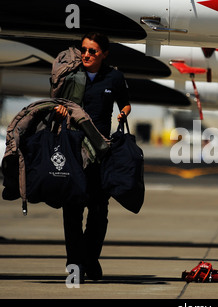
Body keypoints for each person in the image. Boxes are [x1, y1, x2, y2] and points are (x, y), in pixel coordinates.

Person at [54, 32, 131, 281]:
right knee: (72, 210)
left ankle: (90, 258)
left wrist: (124, 113)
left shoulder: (114, 77)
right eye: (84, 50)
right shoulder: (71, 75)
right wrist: (60, 109)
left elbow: (125, 103)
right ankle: (75, 263)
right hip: (73, 150)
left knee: (99, 211)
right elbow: (58, 101)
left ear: (104, 54)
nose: (87, 54)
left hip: (100, 151)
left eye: (93, 51)